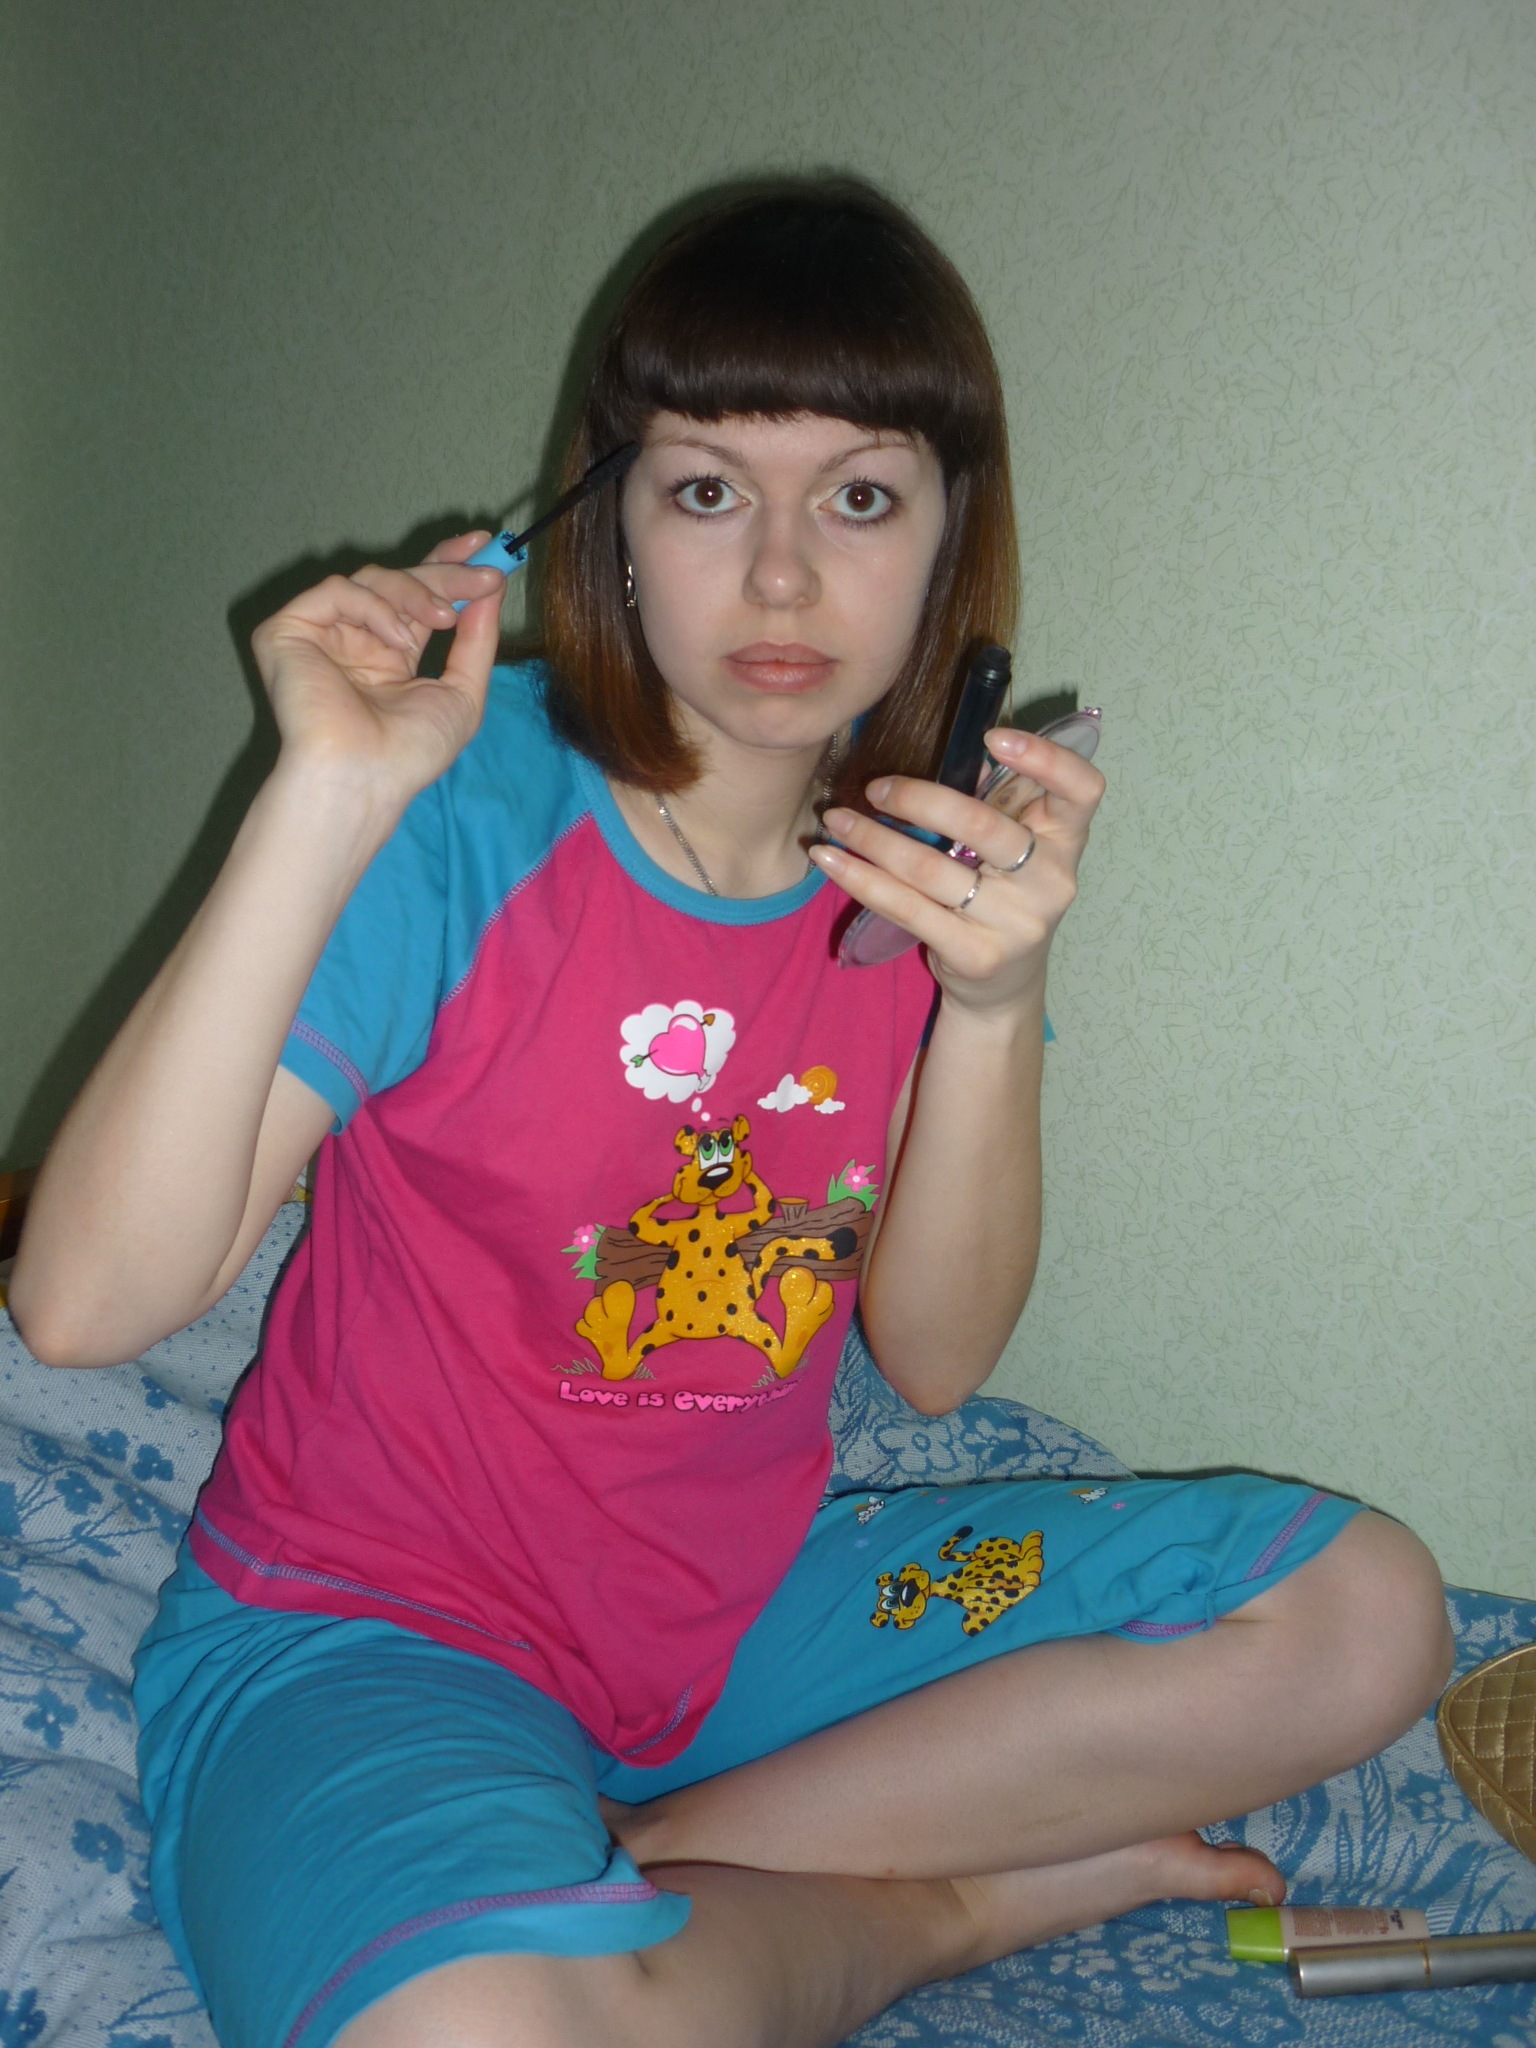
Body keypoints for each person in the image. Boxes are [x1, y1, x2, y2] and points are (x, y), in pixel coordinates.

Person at [11, 179, 1452, 2048]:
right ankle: (932, 1903)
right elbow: (82, 1308)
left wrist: (996, 1000)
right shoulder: (463, 810)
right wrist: (325, 798)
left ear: (948, 541)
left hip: (739, 1625)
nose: (782, 577)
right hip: (371, 1625)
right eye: (707, 491)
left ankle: (663, 1854)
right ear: (609, 522)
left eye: (860, 499)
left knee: (1363, 1614)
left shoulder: (922, 866)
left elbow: (933, 1359)